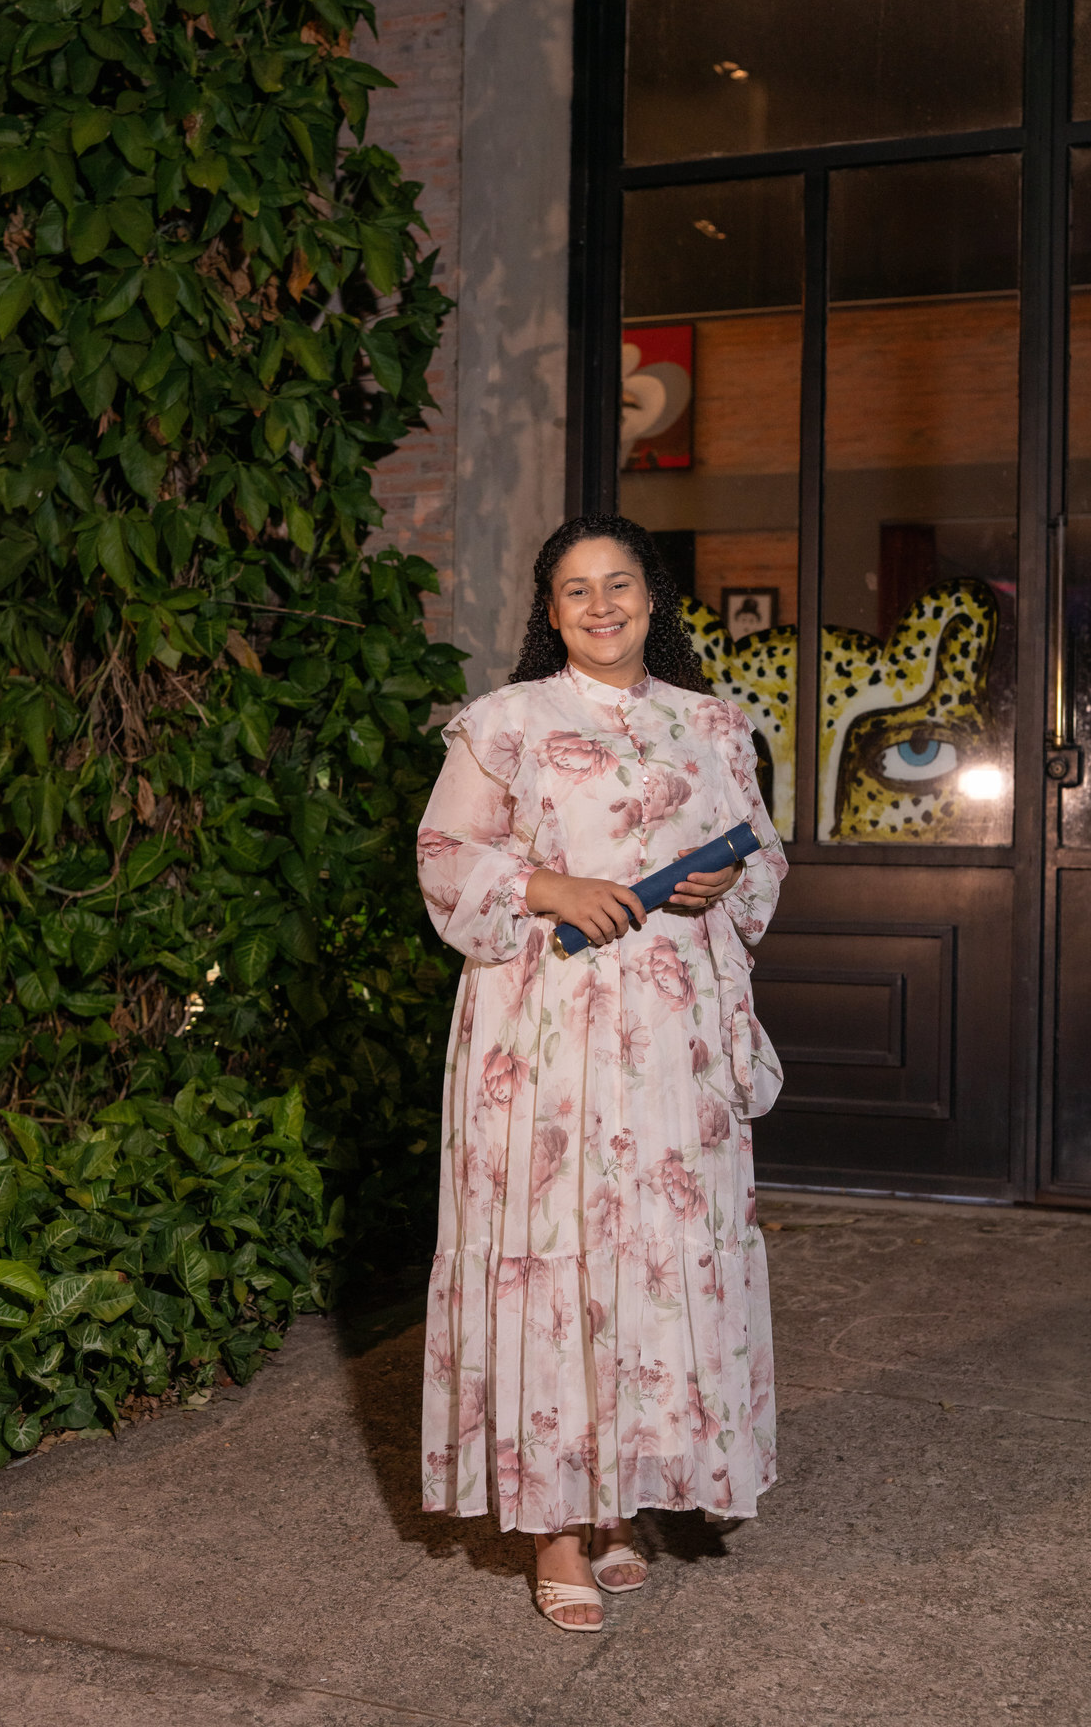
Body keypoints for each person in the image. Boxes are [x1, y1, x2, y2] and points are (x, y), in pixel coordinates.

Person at [416, 513, 787, 1631]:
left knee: (656, 1252)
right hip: (546, 1023)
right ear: (551, 610)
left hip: (674, 1030)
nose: (600, 605)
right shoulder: (508, 722)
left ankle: (621, 1497)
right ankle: (557, 1529)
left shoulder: (713, 723)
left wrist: (729, 883)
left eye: (618, 583)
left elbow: (763, 853)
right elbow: (443, 855)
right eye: (575, 589)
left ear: (652, 597)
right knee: (558, 1246)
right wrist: (550, 888)